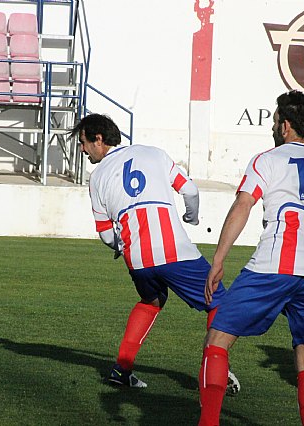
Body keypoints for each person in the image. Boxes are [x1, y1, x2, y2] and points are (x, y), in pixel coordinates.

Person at [198, 90, 304, 426]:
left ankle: (207, 422)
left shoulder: (268, 160)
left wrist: (219, 258)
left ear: (286, 126)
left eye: (275, 120)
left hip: (275, 263)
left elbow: (243, 204)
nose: (273, 126)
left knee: (218, 338)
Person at [72, 113, 240, 392]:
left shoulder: (97, 177)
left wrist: (121, 243)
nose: (82, 149)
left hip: (137, 259)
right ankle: (212, 372)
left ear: (99, 140)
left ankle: (121, 370)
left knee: (151, 300)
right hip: (174, 251)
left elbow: (104, 234)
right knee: (220, 302)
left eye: (83, 142)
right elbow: (190, 191)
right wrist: (192, 217)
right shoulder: (154, 154)